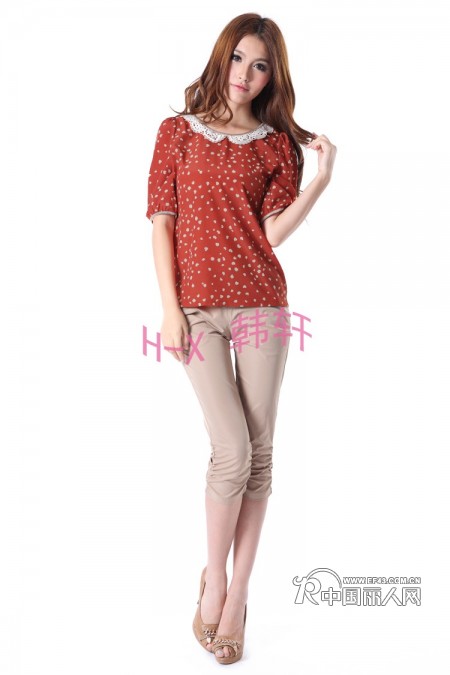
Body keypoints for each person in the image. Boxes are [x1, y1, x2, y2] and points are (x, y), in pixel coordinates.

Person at [146, 12, 336, 665]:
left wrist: (320, 181)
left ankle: (237, 595)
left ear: (271, 78)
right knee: (231, 448)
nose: (246, 75)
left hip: (262, 305)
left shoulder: (275, 146)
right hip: (196, 311)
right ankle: (214, 578)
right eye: (238, 59)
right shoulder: (177, 133)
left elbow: (272, 234)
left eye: (260, 67)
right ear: (221, 56)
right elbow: (162, 224)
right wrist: (170, 309)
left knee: (259, 453)